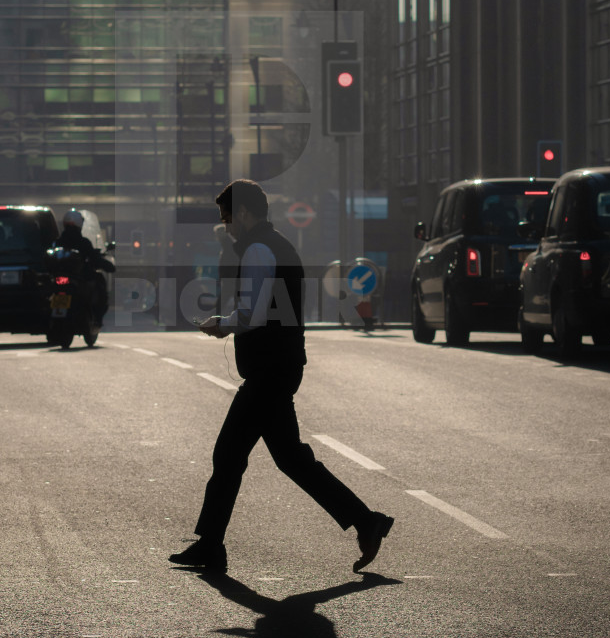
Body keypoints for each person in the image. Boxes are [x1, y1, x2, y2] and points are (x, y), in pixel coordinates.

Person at [169, 179, 394, 576]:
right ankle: (366, 521)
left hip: (269, 368)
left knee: (229, 454)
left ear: (243, 213)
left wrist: (222, 324)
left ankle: (210, 546)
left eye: (227, 218)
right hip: (283, 364)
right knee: (292, 459)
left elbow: (254, 313)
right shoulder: (279, 244)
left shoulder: (257, 249)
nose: (226, 227)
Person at [57, 209, 115, 320]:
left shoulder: (57, 242)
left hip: (62, 278)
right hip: (77, 278)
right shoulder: (83, 242)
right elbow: (94, 258)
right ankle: (96, 318)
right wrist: (108, 265)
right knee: (99, 282)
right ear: (80, 224)